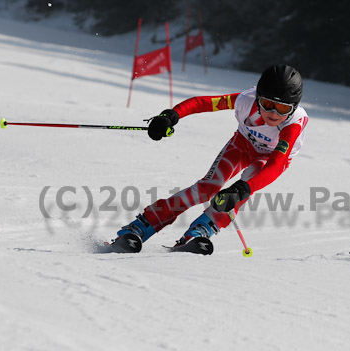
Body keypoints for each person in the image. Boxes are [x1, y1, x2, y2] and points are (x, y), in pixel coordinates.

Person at [110, 64, 308, 253]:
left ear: (293, 108)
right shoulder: (245, 100)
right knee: (206, 188)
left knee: (243, 187)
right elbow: (203, 103)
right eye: (268, 104)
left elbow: (276, 164)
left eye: (282, 109)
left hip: (271, 157)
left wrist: (243, 189)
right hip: (242, 145)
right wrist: (171, 115)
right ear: (258, 98)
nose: (273, 113)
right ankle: (141, 226)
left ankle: (201, 230)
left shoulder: (293, 124)